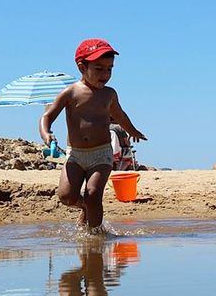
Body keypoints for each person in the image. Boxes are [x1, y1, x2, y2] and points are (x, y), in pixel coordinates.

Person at [41, 39, 146, 232]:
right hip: (75, 154)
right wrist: (46, 133)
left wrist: (132, 131)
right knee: (66, 196)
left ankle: (95, 235)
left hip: (101, 154)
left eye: (109, 69)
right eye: (99, 69)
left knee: (94, 192)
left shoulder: (109, 94)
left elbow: (120, 116)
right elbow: (47, 116)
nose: (105, 74)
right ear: (82, 67)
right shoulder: (71, 93)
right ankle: (84, 207)